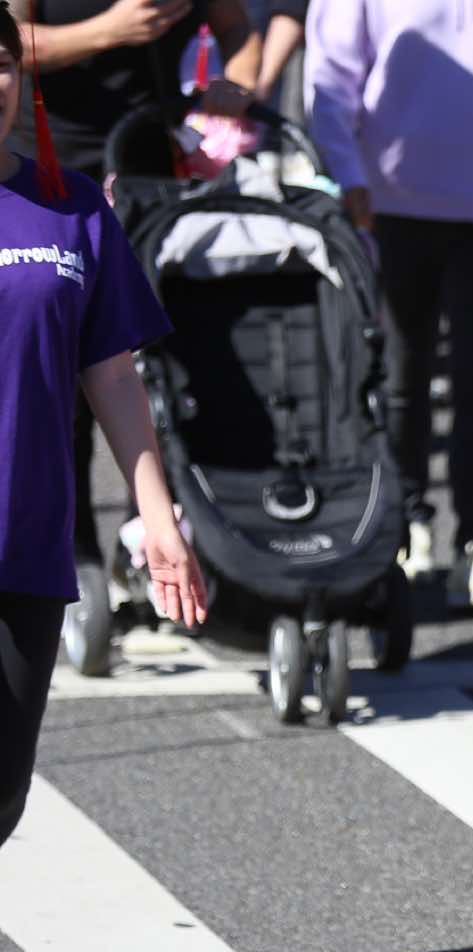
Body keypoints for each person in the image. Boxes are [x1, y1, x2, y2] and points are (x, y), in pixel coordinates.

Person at [0, 1, 205, 844]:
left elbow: (113, 375)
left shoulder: (71, 205)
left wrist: (159, 520)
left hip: (27, 543)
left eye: (1, 63)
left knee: (3, 794)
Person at [304, 0, 473, 611]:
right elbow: (330, 71)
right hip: (391, 197)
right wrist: (345, 170)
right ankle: (403, 525)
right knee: (397, 379)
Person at [9, 0, 255, 608]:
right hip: (53, 151)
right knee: (54, 383)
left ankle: (128, 549)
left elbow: (114, 374)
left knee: (143, 366)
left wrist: (234, 89)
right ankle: (82, 554)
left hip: (148, 174)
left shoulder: (80, 207)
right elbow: (17, 34)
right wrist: (109, 30)